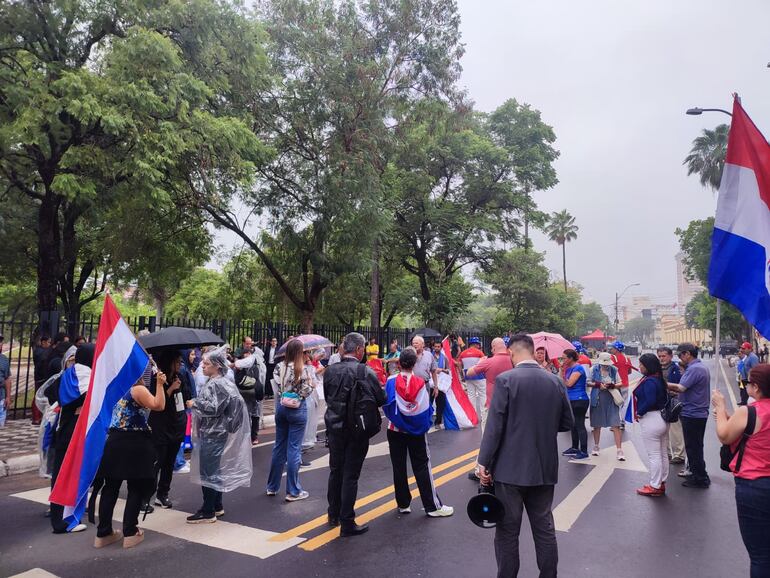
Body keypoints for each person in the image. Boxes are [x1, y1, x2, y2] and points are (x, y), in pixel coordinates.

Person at [477, 333, 573, 578]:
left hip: (509, 470)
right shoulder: (555, 381)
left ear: (511, 352)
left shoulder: (506, 380)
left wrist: (483, 463)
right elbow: (567, 422)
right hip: (544, 467)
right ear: (533, 351)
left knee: (508, 531)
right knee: (544, 528)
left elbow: (494, 426)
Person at [95, 363, 166, 548]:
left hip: (114, 441)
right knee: (136, 486)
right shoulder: (137, 389)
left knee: (110, 488)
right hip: (134, 442)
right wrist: (160, 384)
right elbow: (159, 405)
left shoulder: (116, 388)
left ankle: (103, 532)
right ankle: (130, 530)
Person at [323, 332, 386, 536]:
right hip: (356, 430)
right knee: (350, 475)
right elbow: (381, 398)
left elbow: (328, 397)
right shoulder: (364, 371)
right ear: (359, 349)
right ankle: (347, 521)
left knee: (336, 471)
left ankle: (333, 513)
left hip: (334, 428)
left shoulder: (330, 371)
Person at [713, 364, 770, 577]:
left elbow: (725, 435)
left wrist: (720, 408)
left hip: (754, 486)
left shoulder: (749, 411)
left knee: (761, 556)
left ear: (755, 387)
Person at [383, 347, 453, 517]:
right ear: (415, 363)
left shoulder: (391, 381)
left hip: (395, 430)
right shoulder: (421, 382)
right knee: (422, 466)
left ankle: (403, 504)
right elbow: (425, 408)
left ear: (399, 363)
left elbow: (388, 404)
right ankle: (432, 506)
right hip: (415, 432)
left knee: (398, 467)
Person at [186, 347, 252, 523]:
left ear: (216, 365)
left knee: (208, 472)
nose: (203, 366)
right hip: (217, 432)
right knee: (214, 469)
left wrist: (194, 404)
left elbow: (214, 408)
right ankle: (216, 505)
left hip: (213, 432)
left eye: (206, 363)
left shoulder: (217, 384)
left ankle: (208, 511)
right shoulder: (222, 381)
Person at [266, 339, 315, 501]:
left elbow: (277, 386)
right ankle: (293, 491)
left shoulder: (280, 367)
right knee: (294, 449)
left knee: (279, 446)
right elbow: (307, 390)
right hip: (297, 408)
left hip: (282, 408)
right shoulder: (303, 369)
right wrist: (310, 385)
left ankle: (272, 487)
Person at [48, 344, 85, 532]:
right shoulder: (78, 378)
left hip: (66, 430)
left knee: (65, 474)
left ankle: (62, 515)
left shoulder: (66, 378)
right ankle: (60, 519)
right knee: (65, 474)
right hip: (69, 432)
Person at [149, 350, 192, 510]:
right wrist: (170, 388)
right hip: (161, 426)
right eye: (177, 362)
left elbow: (187, 396)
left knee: (169, 463)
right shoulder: (158, 379)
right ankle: (147, 496)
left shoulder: (180, 377)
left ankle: (163, 494)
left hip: (177, 424)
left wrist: (180, 386)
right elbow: (157, 403)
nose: (180, 365)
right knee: (157, 463)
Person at [668, 343, 711, 488]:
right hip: (697, 412)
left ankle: (700, 478)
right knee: (695, 446)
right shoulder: (699, 367)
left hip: (693, 413)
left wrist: (661, 382)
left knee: (693, 447)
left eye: (680, 355)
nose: (680, 358)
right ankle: (698, 473)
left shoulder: (694, 369)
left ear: (687, 354)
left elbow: (681, 387)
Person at [631, 354, 670, 497]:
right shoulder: (659, 379)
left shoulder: (649, 381)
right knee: (662, 453)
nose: (639, 367)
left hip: (651, 419)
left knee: (654, 455)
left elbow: (649, 400)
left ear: (648, 366)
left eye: (641, 364)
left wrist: (639, 413)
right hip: (662, 418)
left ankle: (654, 485)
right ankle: (661, 482)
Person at [466, 337, 514, 432]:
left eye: (492, 348)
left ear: (494, 348)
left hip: (493, 403)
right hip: (511, 403)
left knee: (489, 431)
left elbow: (469, 372)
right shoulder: (514, 361)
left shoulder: (488, 362)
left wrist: (479, 363)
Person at [589, 352, 625, 460]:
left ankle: (619, 450)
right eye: (604, 364)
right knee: (596, 424)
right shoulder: (593, 369)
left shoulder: (614, 369)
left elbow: (620, 382)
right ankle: (596, 446)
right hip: (598, 398)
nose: (605, 366)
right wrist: (597, 385)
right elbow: (587, 382)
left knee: (615, 424)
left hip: (611, 399)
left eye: (607, 364)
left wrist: (612, 385)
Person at [232, 345, 266, 447]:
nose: (247, 356)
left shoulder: (255, 366)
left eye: (248, 354)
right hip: (246, 394)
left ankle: (253, 436)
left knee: (254, 415)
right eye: (246, 354)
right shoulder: (241, 366)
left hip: (251, 394)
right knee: (248, 415)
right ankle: (248, 436)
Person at [560, 349, 590, 459]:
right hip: (571, 399)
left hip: (579, 399)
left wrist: (563, 373)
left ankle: (584, 451)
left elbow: (569, 383)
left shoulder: (578, 368)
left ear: (571, 358)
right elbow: (561, 382)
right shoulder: (568, 369)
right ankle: (574, 447)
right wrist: (562, 370)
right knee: (572, 425)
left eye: (564, 358)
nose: (562, 360)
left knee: (579, 424)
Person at [658, 347, 685, 465]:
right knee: (662, 430)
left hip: (674, 402)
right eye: (659, 356)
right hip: (661, 402)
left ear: (670, 356)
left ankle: (679, 454)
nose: (661, 358)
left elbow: (682, 386)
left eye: (664, 356)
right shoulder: (657, 369)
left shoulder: (677, 369)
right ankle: (667, 452)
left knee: (675, 430)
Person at [458, 337, 486, 430]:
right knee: (482, 396)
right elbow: (484, 363)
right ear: (474, 344)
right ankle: (483, 416)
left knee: (471, 396)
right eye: (477, 344)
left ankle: (472, 417)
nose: (478, 345)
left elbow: (459, 364)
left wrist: (462, 375)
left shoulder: (463, 353)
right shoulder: (479, 352)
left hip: (468, 376)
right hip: (479, 376)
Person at [32, 335, 52, 424]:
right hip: (40, 377)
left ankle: (40, 416)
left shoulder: (41, 351)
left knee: (42, 396)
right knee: (38, 395)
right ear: (43, 342)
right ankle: (36, 417)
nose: (50, 344)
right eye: (48, 342)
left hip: (43, 376)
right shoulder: (39, 351)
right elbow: (43, 360)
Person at [431, 340, 451, 429]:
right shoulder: (429, 357)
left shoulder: (445, 358)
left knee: (440, 404)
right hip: (431, 383)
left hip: (441, 384)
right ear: (433, 347)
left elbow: (448, 371)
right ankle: (426, 421)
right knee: (428, 403)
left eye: (438, 347)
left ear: (441, 347)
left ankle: (437, 422)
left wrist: (442, 370)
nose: (436, 348)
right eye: (435, 346)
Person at [738, 342, 759, 406]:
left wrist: (753, 380)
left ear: (749, 349)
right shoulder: (747, 356)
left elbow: (755, 369)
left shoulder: (753, 357)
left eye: (744, 349)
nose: (742, 350)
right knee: (743, 391)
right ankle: (744, 402)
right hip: (744, 378)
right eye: (742, 348)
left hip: (750, 379)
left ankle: (748, 405)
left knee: (748, 393)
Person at [0, 335, 10, 427]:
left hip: (1, 398)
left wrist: (8, 397)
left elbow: (7, 378)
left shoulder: (4, 359)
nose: (0, 344)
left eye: (1, 341)